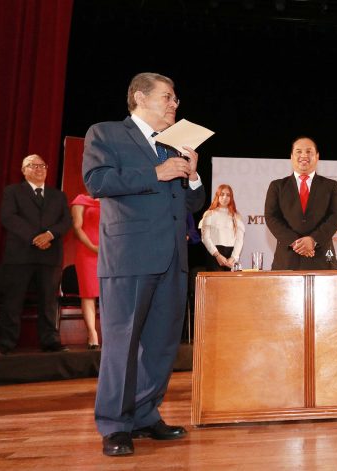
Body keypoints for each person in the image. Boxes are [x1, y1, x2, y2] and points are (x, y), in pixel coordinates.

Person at [82, 72, 205, 456]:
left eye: (175, 99)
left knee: (160, 345)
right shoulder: (105, 133)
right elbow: (96, 181)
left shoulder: (173, 146)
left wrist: (193, 173)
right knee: (122, 344)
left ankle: (145, 414)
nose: (175, 105)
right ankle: (116, 425)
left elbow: (190, 206)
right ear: (139, 97)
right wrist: (155, 172)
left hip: (172, 258)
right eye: (168, 97)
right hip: (129, 257)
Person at [0, 154, 71, 355]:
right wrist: (35, 237)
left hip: (50, 256)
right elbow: (8, 217)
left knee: (49, 301)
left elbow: (66, 221)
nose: (39, 169)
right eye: (32, 165)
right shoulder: (12, 192)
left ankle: (50, 342)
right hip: (20, 256)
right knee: (13, 301)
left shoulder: (59, 195)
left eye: (42, 165)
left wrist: (49, 235)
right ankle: (5, 343)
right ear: (23, 170)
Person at [264, 136, 337, 270]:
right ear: (291, 156)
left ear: (317, 156)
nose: (304, 155)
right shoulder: (277, 186)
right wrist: (295, 242)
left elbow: (335, 217)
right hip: (286, 260)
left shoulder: (331, 186)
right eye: (299, 151)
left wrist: (313, 240)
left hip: (322, 260)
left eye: (309, 151)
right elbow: (271, 217)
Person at [70, 193, 101, 349]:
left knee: (111, 294)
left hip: (112, 252)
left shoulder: (114, 200)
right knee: (88, 293)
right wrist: (93, 247)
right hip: (88, 251)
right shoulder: (81, 199)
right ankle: (92, 333)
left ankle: (111, 335)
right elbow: (77, 227)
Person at [198, 184, 244, 271]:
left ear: (231, 197)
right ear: (217, 196)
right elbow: (205, 238)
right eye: (222, 194)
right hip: (214, 255)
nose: (225, 197)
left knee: (230, 284)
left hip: (231, 257)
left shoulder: (236, 216)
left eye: (228, 195)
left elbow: (239, 239)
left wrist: (233, 257)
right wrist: (217, 255)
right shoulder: (209, 214)